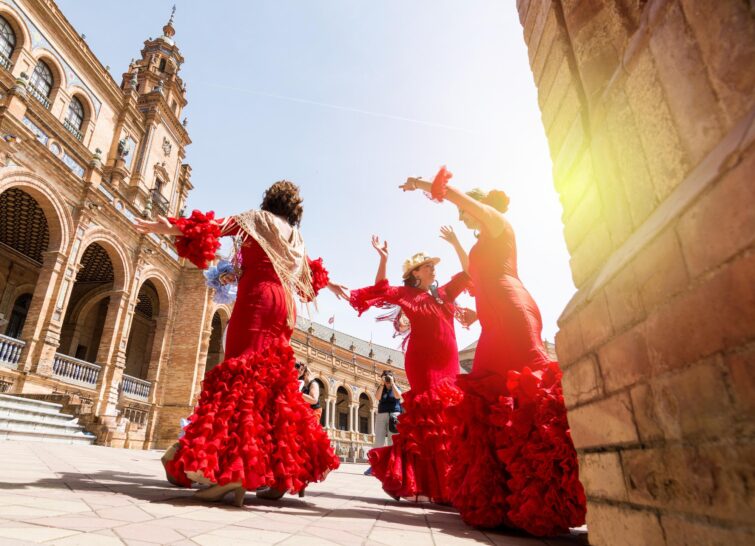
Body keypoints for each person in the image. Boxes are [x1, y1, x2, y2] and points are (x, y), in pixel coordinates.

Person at [398, 167, 586, 535]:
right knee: (483, 397)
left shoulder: (498, 222)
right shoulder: (482, 241)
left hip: (513, 309)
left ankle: (550, 495)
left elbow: (456, 197)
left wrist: (421, 184)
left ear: (479, 205)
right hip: (492, 318)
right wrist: (472, 310)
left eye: (465, 212)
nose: (462, 216)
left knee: (531, 389)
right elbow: (475, 276)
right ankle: (499, 499)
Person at [135, 180, 345, 506]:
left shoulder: (256, 219)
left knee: (241, 375)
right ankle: (276, 474)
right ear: (294, 209)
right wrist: (330, 284)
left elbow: (215, 227)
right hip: (284, 306)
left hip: (258, 300)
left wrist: (171, 225)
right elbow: (307, 277)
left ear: (268, 199)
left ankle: (230, 475)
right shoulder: (296, 237)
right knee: (273, 386)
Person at [348, 232, 470, 503]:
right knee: (429, 418)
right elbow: (381, 288)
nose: (433, 268)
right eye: (428, 265)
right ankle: (428, 485)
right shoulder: (407, 294)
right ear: (416, 273)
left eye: (433, 265)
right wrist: (383, 259)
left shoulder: (444, 294)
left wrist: (457, 244)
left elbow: (468, 272)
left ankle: (446, 483)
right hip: (423, 362)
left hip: (450, 364)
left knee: (448, 420)